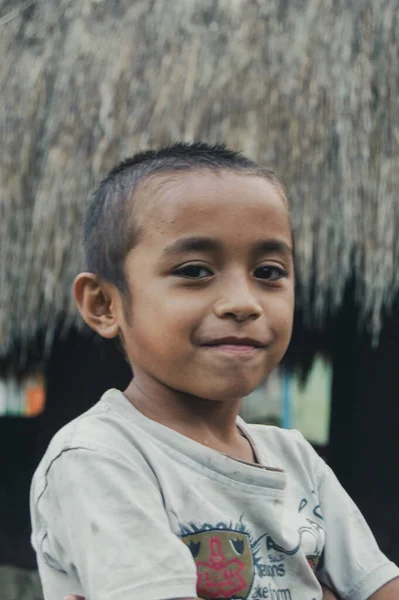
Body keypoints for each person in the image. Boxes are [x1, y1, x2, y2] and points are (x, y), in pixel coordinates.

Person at [30, 143, 399, 600]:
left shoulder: (294, 458)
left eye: (268, 271)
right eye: (194, 270)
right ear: (104, 304)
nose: (243, 302)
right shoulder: (100, 458)